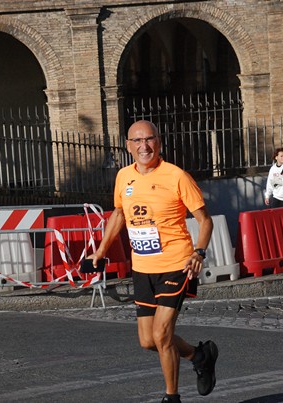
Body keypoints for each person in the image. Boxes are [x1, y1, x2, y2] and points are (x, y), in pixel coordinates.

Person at [87, 120, 216, 403]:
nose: (144, 146)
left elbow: (205, 221)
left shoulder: (176, 176)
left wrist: (199, 252)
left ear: (159, 141)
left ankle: (172, 397)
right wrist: (101, 251)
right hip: (142, 267)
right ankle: (200, 355)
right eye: (137, 141)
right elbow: (119, 214)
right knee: (148, 341)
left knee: (162, 334)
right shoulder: (124, 176)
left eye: (149, 139)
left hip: (176, 263)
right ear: (128, 146)